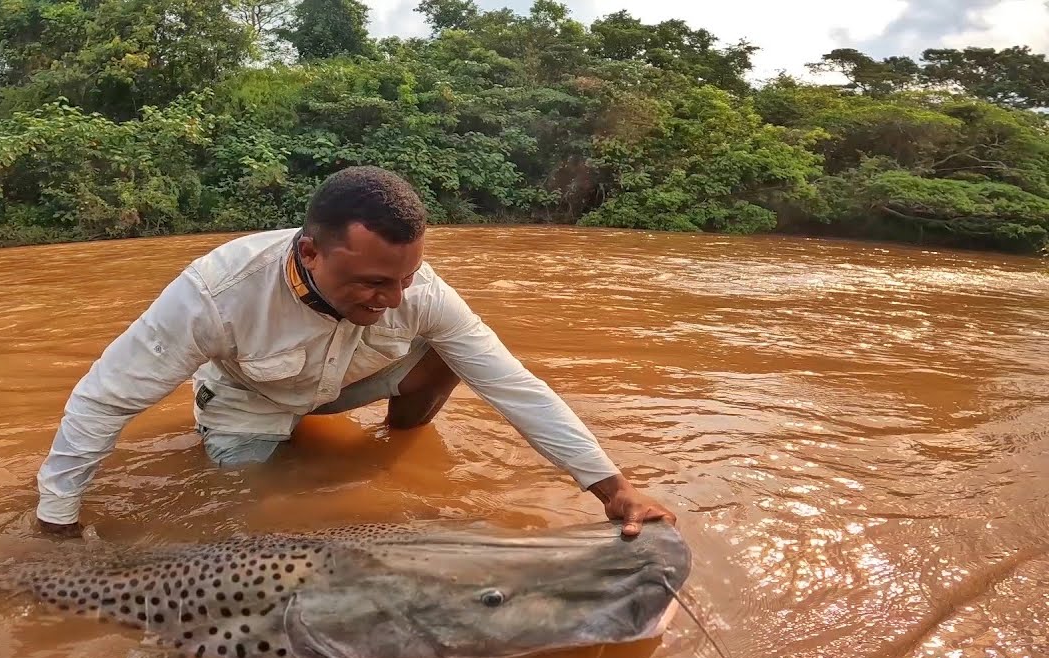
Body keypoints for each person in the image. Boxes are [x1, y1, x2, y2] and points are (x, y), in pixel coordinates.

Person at [33, 166, 677, 538]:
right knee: (242, 510)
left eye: (404, 278)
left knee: (451, 353)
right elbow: (103, 401)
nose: (394, 299)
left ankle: (398, 439)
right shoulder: (215, 295)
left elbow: (513, 385)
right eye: (372, 282)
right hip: (250, 399)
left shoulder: (418, 291)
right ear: (308, 253)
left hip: (349, 384)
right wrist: (56, 521)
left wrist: (612, 490)